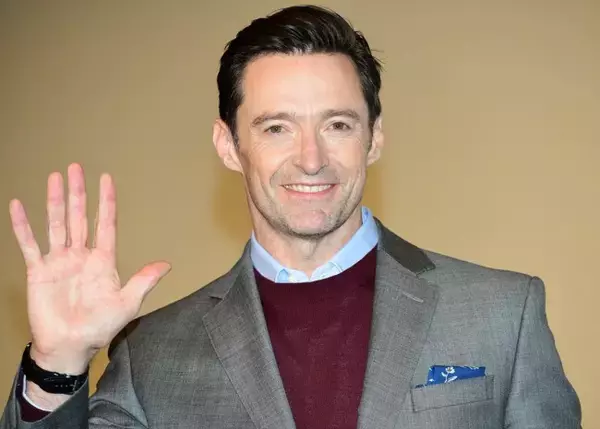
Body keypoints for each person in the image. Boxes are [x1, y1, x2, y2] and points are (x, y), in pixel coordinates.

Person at [0, 5, 581, 429]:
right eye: (276, 127)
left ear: (374, 138)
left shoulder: (503, 314)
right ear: (228, 146)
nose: (310, 157)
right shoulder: (152, 352)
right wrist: (56, 365)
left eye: (338, 124)